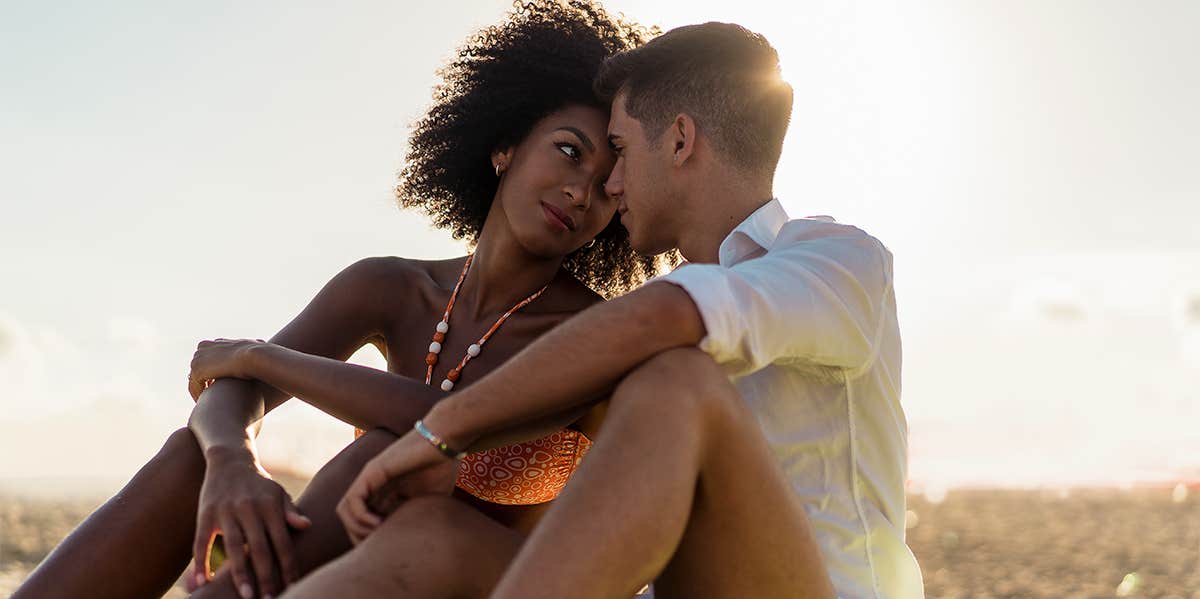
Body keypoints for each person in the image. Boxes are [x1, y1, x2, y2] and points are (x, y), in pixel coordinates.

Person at [12, 3, 666, 598]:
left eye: (608, 184)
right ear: (503, 146)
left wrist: (259, 357)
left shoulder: (593, 330)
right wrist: (232, 458)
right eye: (568, 152)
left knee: (382, 449)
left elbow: (446, 420)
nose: (582, 192)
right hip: (347, 572)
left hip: (475, 582)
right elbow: (226, 396)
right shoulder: (395, 287)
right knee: (194, 455)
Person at [328, 21, 925, 599]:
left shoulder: (836, 261)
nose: (608, 185)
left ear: (680, 141)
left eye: (618, 149)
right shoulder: (671, 299)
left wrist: (441, 432)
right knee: (432, 538)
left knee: (677, 378)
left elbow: (669, 316)